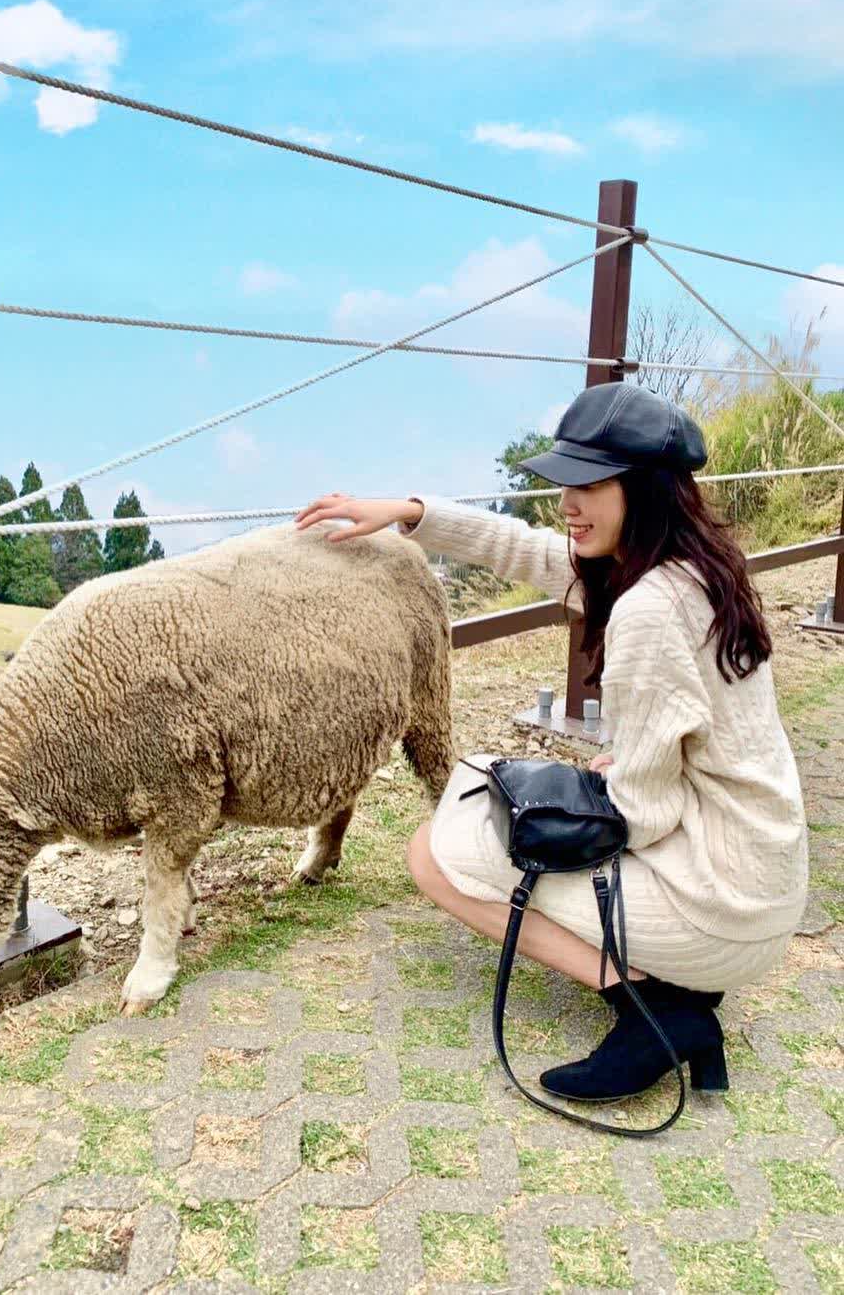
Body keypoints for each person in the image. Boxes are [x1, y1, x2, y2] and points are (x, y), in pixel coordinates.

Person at [295, 380, 808, 1104]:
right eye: (564, 480)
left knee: (435, 852)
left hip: (722, 897)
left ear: (645, 488)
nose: (567, 502)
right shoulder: (694, 568)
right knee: (482, 787)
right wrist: (410, 513)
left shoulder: (649, 609)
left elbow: (644, 814)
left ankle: (651, 1008)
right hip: (755, 869)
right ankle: (668, 984)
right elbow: (529, 553)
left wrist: (604, 783)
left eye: (590, 483)